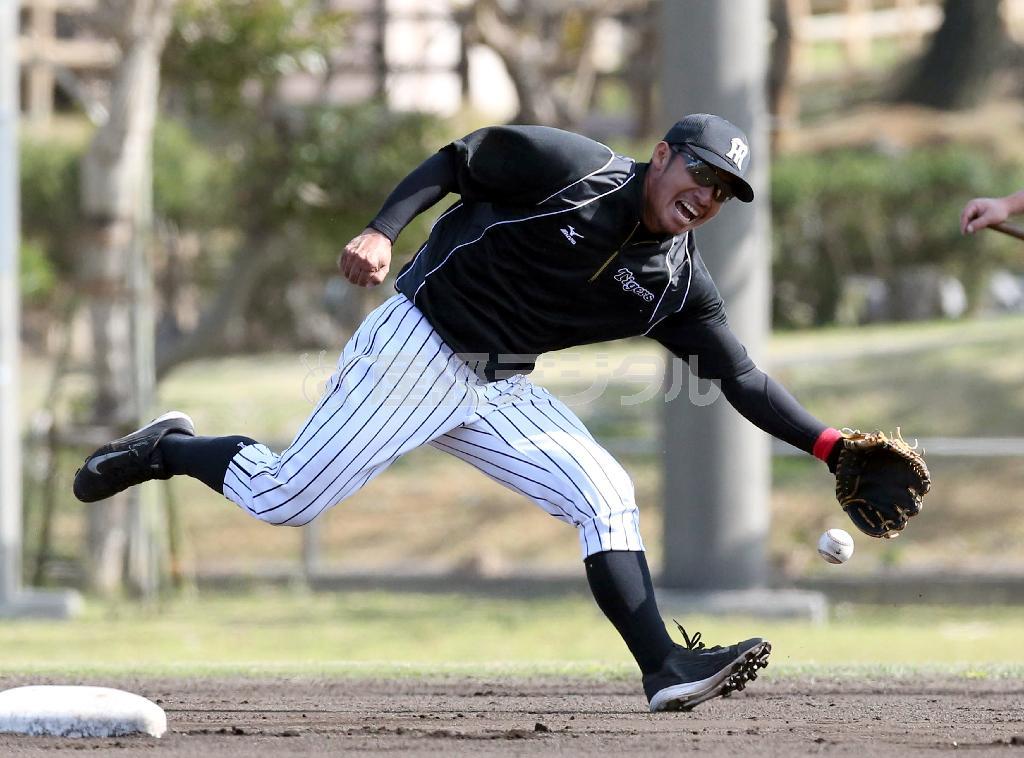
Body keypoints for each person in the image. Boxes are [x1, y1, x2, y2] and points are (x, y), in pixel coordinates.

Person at [74, 114, 850, 712]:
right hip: (418, 345)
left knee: (606, 495)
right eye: (702, 172)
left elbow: (741, 375)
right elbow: (457, 160)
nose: (707, 196)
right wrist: (382, 230)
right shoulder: (571, 169)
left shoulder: (677, 281)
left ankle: (664, 668)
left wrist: (830, 446)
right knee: (283, 498)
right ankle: (169, 446)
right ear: (662, 155)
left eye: (724, 191)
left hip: (499, 383)